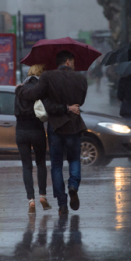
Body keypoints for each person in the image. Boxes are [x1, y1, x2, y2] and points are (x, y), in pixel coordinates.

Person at [16, 51, 86, 216]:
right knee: (74, 159)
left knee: (56, 165)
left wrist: (19, 90)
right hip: (74, 126)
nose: (74, 65)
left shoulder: (48, 77)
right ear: (68, 62)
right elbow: (81, 101)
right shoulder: (81, 78)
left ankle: (62, 204)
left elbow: (33, 95)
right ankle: (73, 186)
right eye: (73, 62)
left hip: (56, 127)